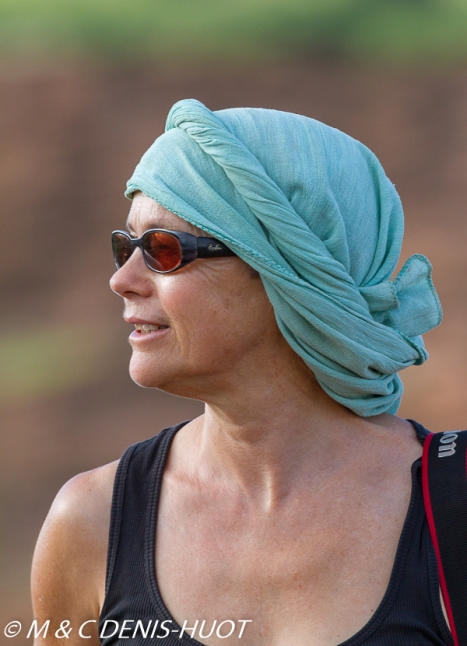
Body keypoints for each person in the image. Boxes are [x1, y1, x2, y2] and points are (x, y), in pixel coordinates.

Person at [31, 99, 450, 646]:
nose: (121, 280)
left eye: (162, 249)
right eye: (124, 246)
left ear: (291, 273)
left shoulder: (455, 504)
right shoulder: (92, 523)